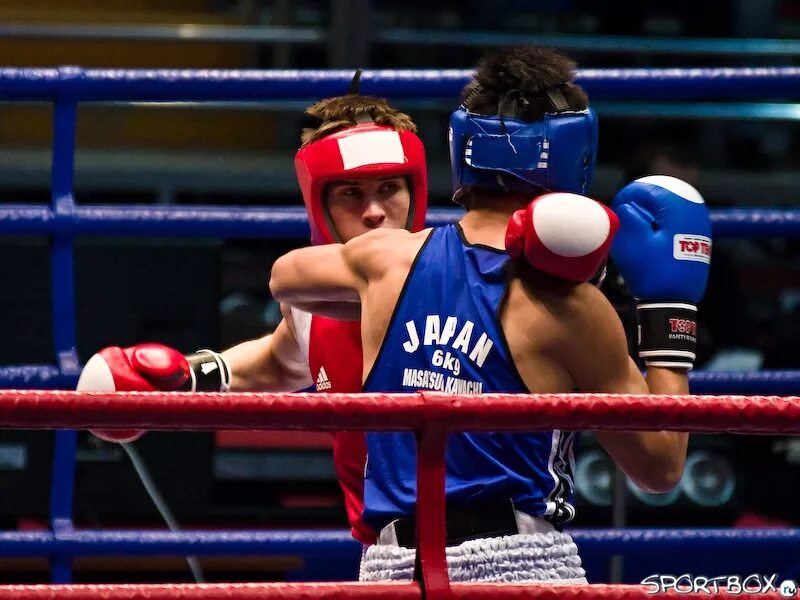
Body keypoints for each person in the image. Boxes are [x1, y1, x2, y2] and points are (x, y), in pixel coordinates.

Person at [269, 46, 712, 583]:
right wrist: (671, 312)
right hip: (517, 565)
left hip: (390, 569)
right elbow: (659, 467)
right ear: (577, 155)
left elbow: (285, 276)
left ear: (463, 150)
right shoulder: (574, 308)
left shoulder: (383, 259)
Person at [76, 92, 428, 545]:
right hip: (387, 551)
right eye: (351, 194)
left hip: (495, 539)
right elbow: (282, 363)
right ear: (318, 205)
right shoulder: (309, 304)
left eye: (388, 189)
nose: (375, 211)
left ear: (414, 192)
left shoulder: (463, 280)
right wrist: (188, 376)